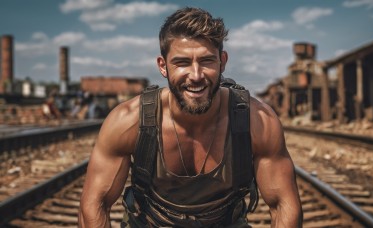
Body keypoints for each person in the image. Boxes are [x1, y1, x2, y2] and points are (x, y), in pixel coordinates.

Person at [79, 7, 302, 227]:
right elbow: (94, 205)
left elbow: (283, 205)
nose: (196, 76)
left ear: (222, 61)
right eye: (182, 63)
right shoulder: (128, 121)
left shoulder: (257, 121)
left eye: (206, 61)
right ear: (163, 66)